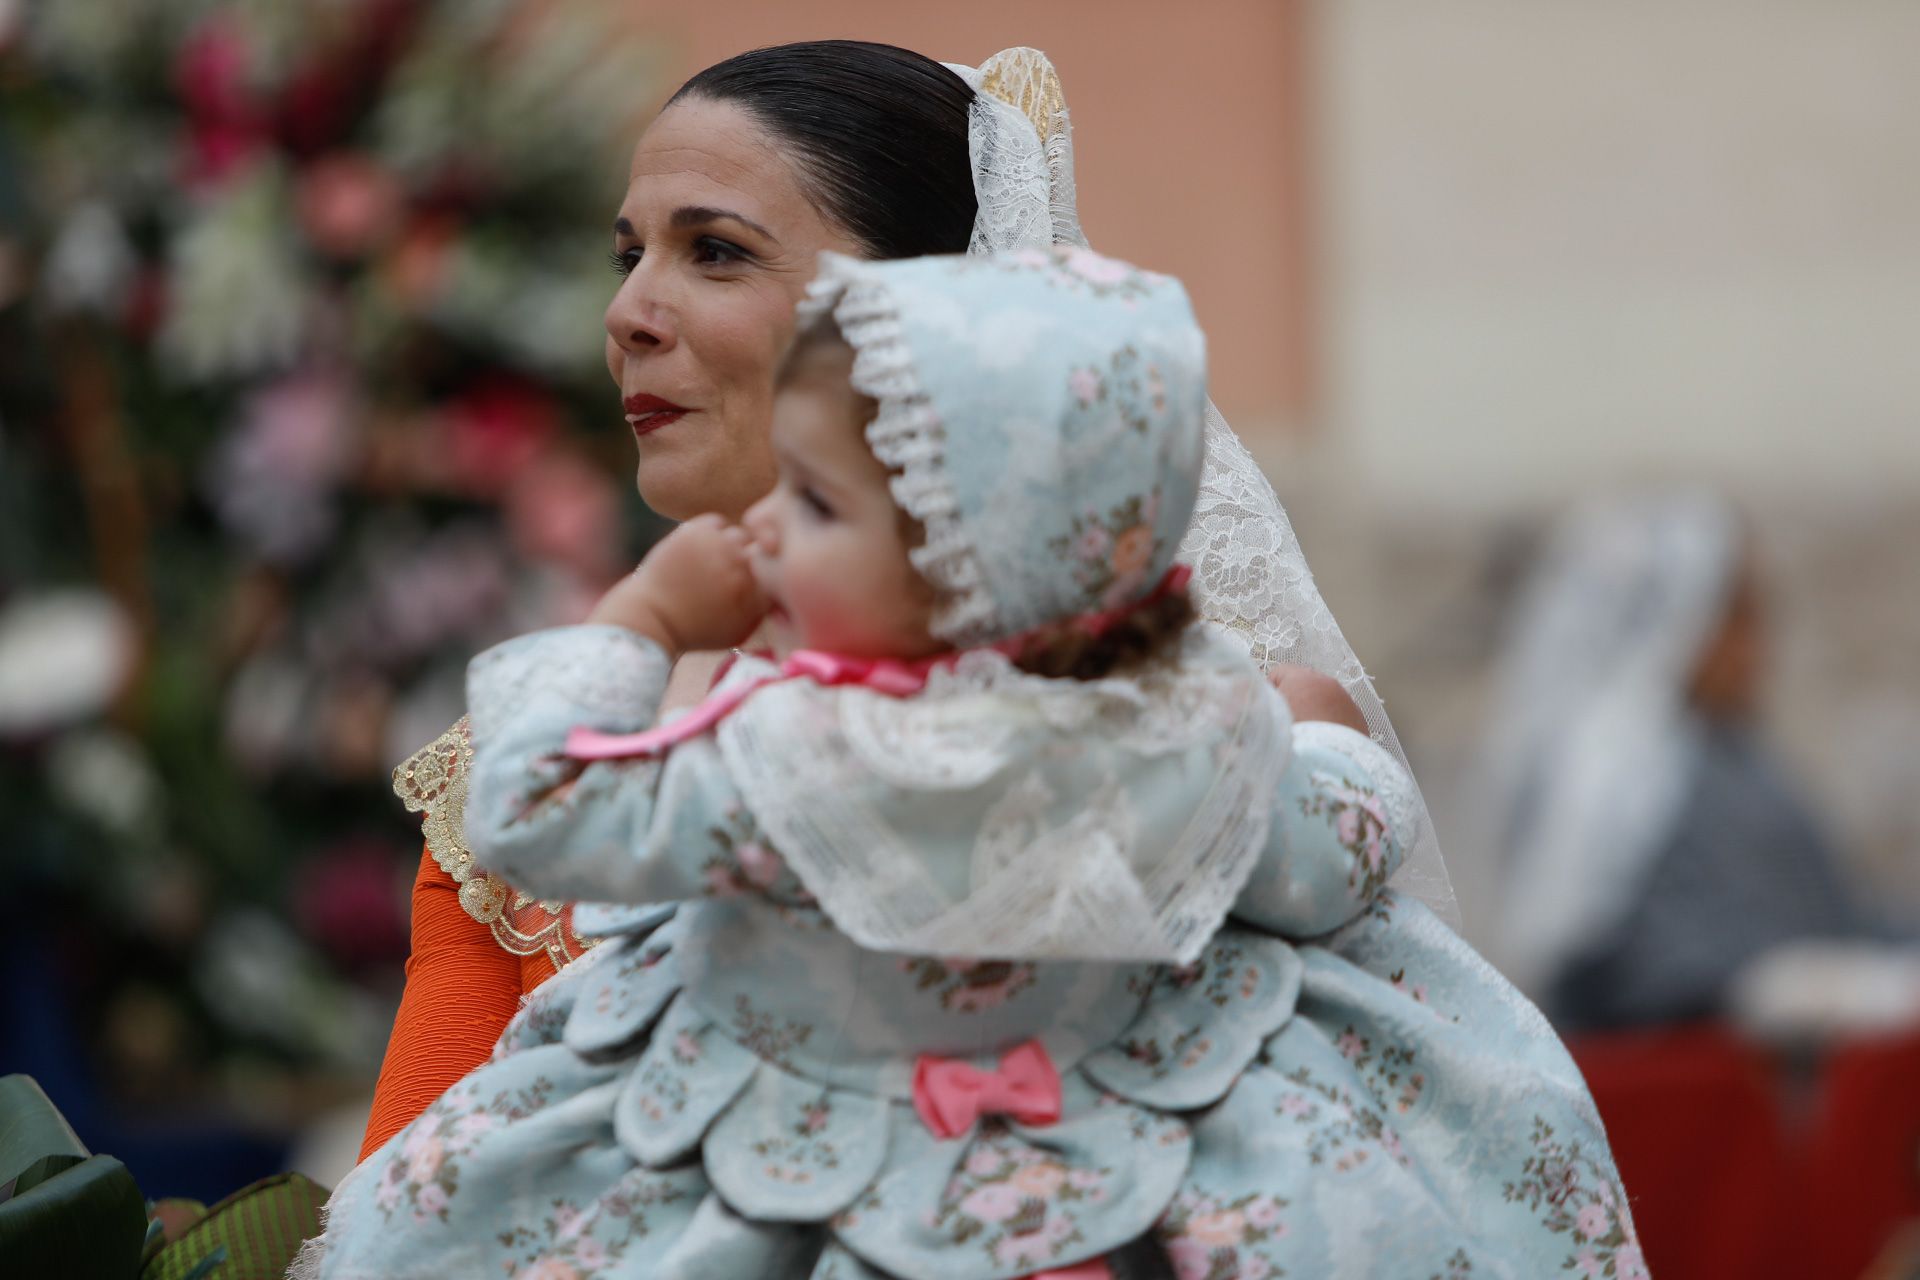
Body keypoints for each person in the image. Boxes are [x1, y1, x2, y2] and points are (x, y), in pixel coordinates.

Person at [299, 247, 1638, 1280]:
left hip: (799, 1190)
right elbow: (1329, 851)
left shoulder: (791, 754)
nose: (765, 526)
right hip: (1159, 1189)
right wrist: (1332, 745)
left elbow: (538, 804)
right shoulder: (1186, 730)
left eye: (815, 502)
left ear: (963, 561)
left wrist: (642, 621)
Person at [361, 40, 1457, 1159]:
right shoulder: (1243, 745)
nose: (630, 312)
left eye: (716, 252)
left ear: (930, 317)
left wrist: (639, 624)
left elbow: (1344, 1131)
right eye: (629, 255)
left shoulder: (682, 763)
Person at [1484, 490, 1883, 1031]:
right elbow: (1630, 973)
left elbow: (1842, 921)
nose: (1758, 647)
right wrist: (1774, 988)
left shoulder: (1742, 764)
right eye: (1739, 617)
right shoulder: (1612, 789)